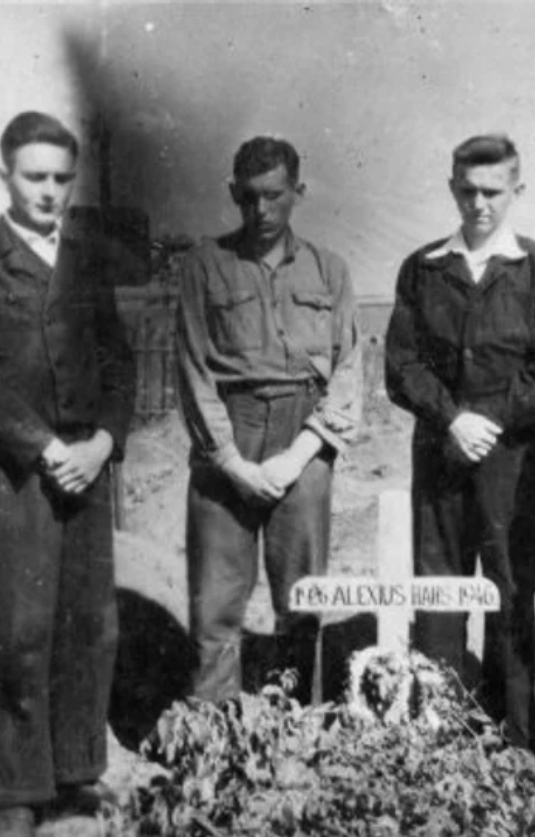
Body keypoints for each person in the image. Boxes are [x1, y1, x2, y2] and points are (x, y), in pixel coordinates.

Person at [0, 111, 135, 837]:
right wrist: (48, 449)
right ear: (5, 177)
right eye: (34, 177)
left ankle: (76, 773)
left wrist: (104, 442)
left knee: (89, 626)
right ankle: (17, 790)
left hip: (88, 469)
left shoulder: (87, 263)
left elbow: (119, 363)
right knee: (20, 631)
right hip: (16, 473)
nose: (49, 191)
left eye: (61, 178)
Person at [384, 133, 535, 748]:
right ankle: (437, 739)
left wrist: (486, 421)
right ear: (452, 188)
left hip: (512, 464)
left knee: (510, 593)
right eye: (467, 190)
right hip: (440, 458)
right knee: (438, 594)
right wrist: (451, 420)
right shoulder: (423, 268)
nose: (479, 204)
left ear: (517, 190)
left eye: (493, 191)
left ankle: (511, 743)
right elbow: (401, 364)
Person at [176, 136, 361, 707]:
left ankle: (297, 727)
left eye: (275, 196)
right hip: (227, 438)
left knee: (301, 599)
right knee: (216, 602)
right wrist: (233, 464)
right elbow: (193, 370)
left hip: (303, 438)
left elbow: (348, 370)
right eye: (249, 197)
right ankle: (210, 731)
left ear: (298, 192)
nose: (261, 210)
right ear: (233, 193)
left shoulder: (330, 270)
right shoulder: (204, 266)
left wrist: (298, 455)